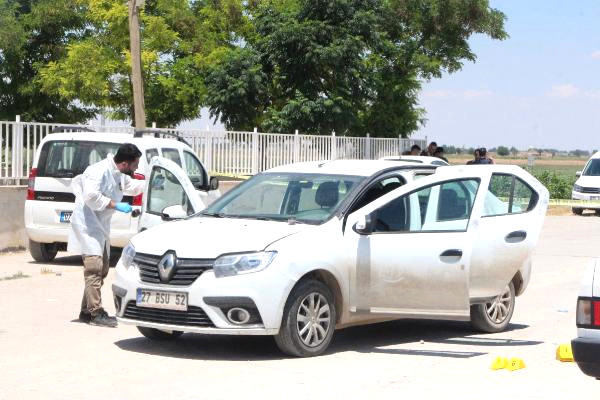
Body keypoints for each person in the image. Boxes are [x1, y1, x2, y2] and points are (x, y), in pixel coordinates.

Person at [68, 143, 144, 327]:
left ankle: (86, 311)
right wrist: (115, 205)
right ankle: (96, 313)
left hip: (100, 226)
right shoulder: (98, 170)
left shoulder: (118, 173)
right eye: (135, 165)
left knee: (102, 269)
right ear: (125, 163)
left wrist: (151, 183)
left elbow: (131, 186)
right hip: (87, 223)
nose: (136, 168)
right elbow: (91, 196)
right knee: (94, 268)